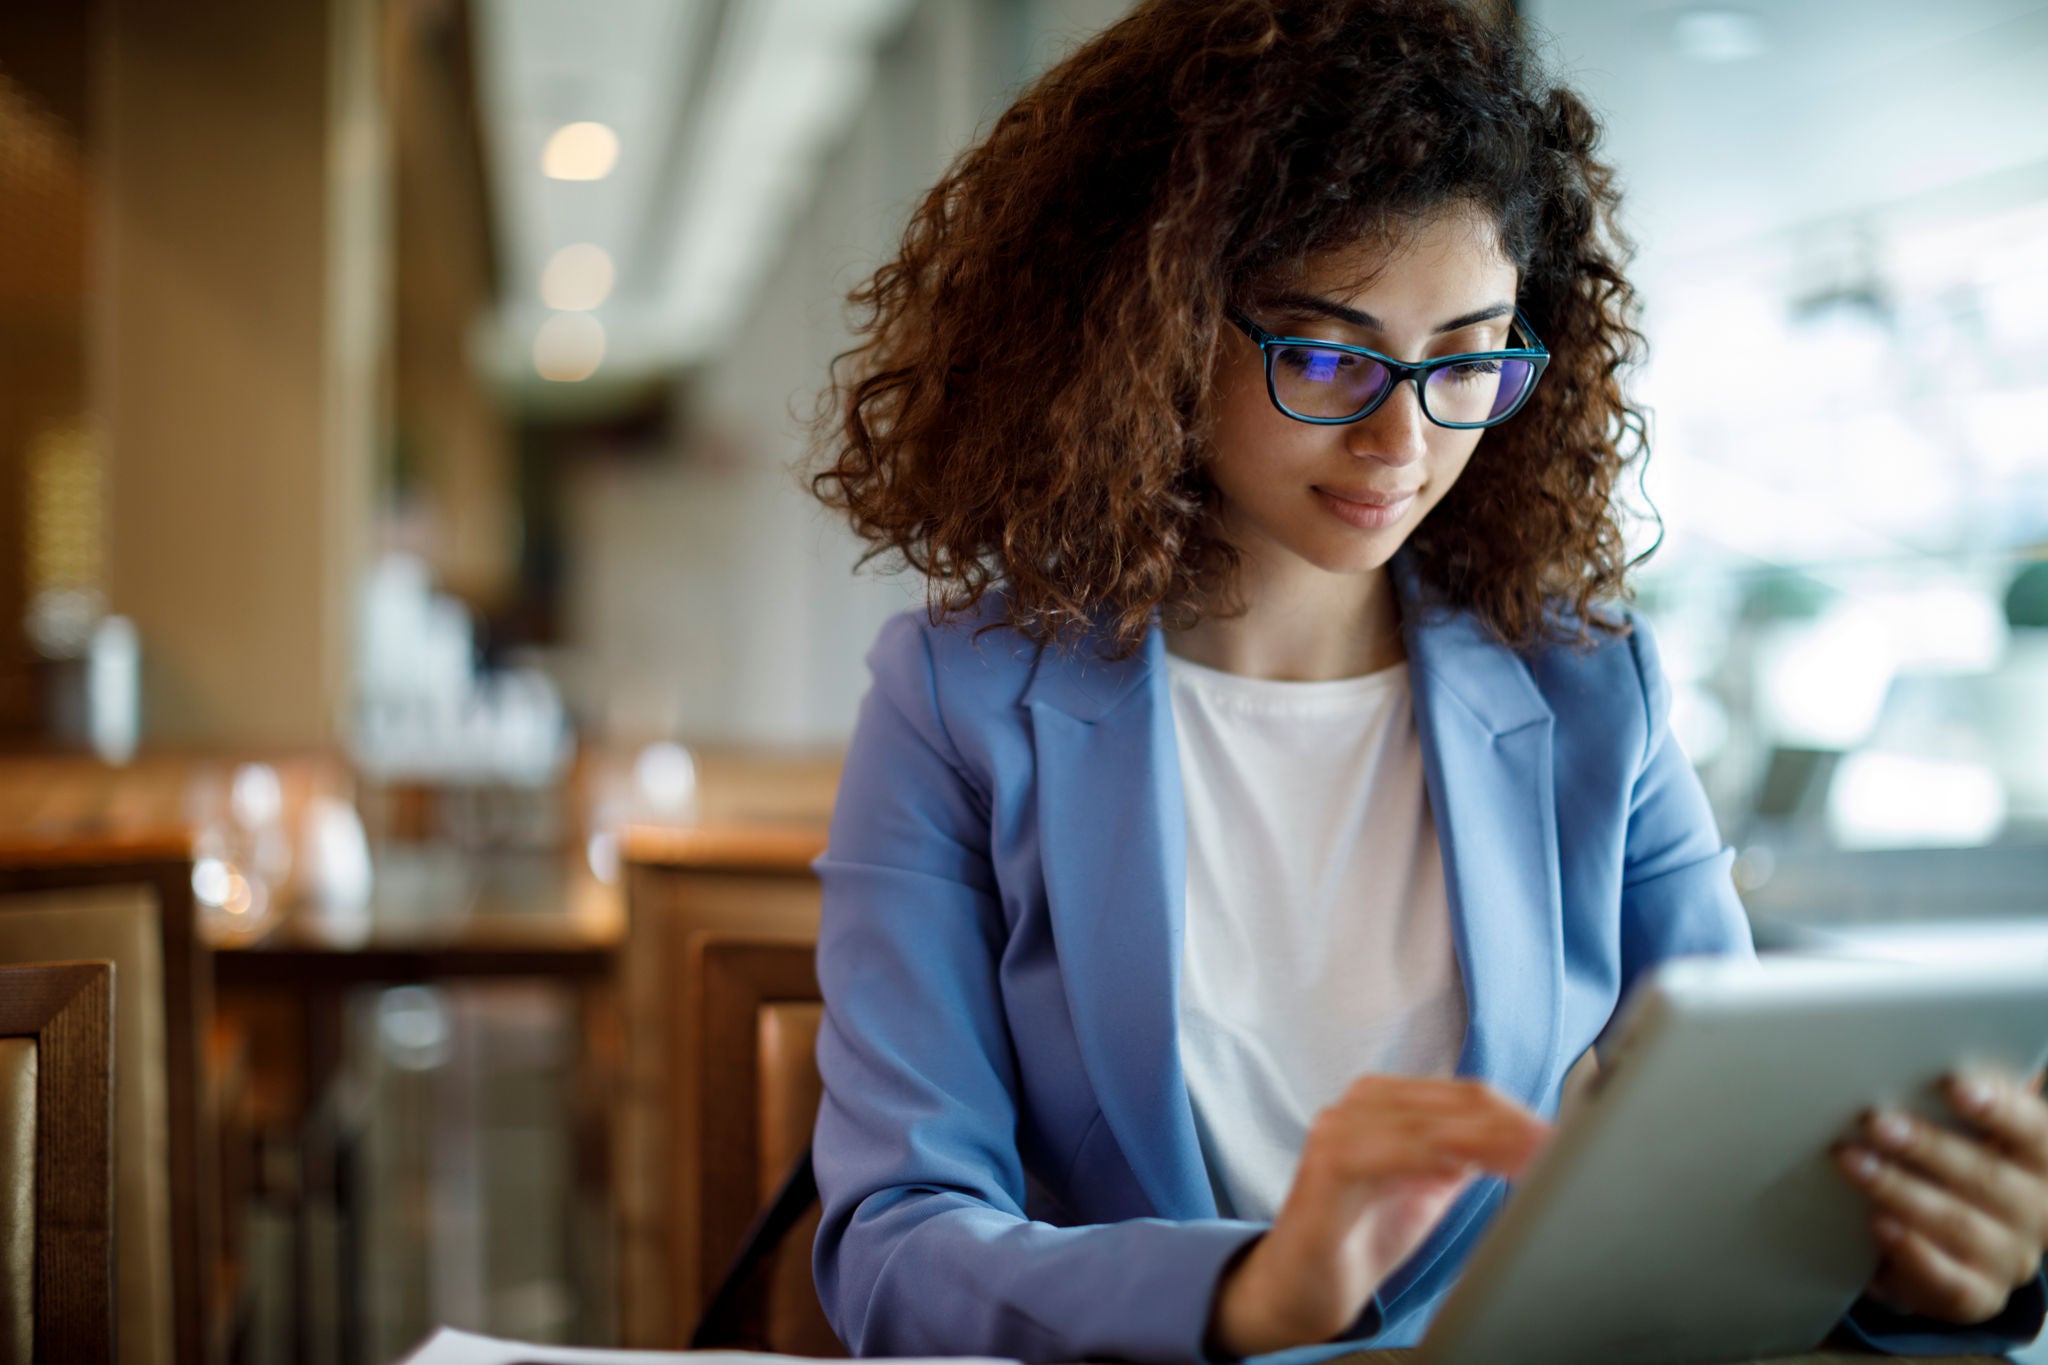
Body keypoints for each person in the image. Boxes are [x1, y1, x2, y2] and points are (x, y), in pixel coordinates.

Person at [801, 1, 2048, 1360]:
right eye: (1331, 354)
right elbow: (895, 1244)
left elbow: (1737, 1181)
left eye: (1466, 357)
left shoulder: (1593, 692)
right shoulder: (959, 701)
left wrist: (1918, 1274)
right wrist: (1253, 1295)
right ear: (1150, 329)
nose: (1404, 435)